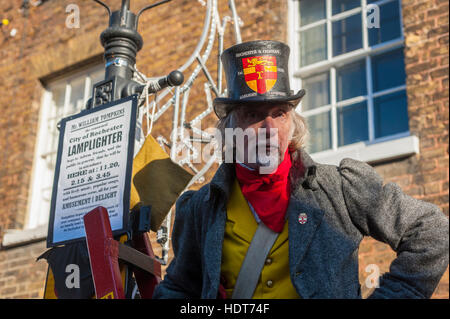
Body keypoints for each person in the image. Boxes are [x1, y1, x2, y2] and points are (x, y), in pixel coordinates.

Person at [153, 40, 449, 299]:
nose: (269, 129)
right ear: (230, 127)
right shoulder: (199, 209)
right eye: (253, 115)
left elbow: (433, 231)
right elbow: (180, 289)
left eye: (279, 113)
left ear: (293, 122)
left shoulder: (341, 187)